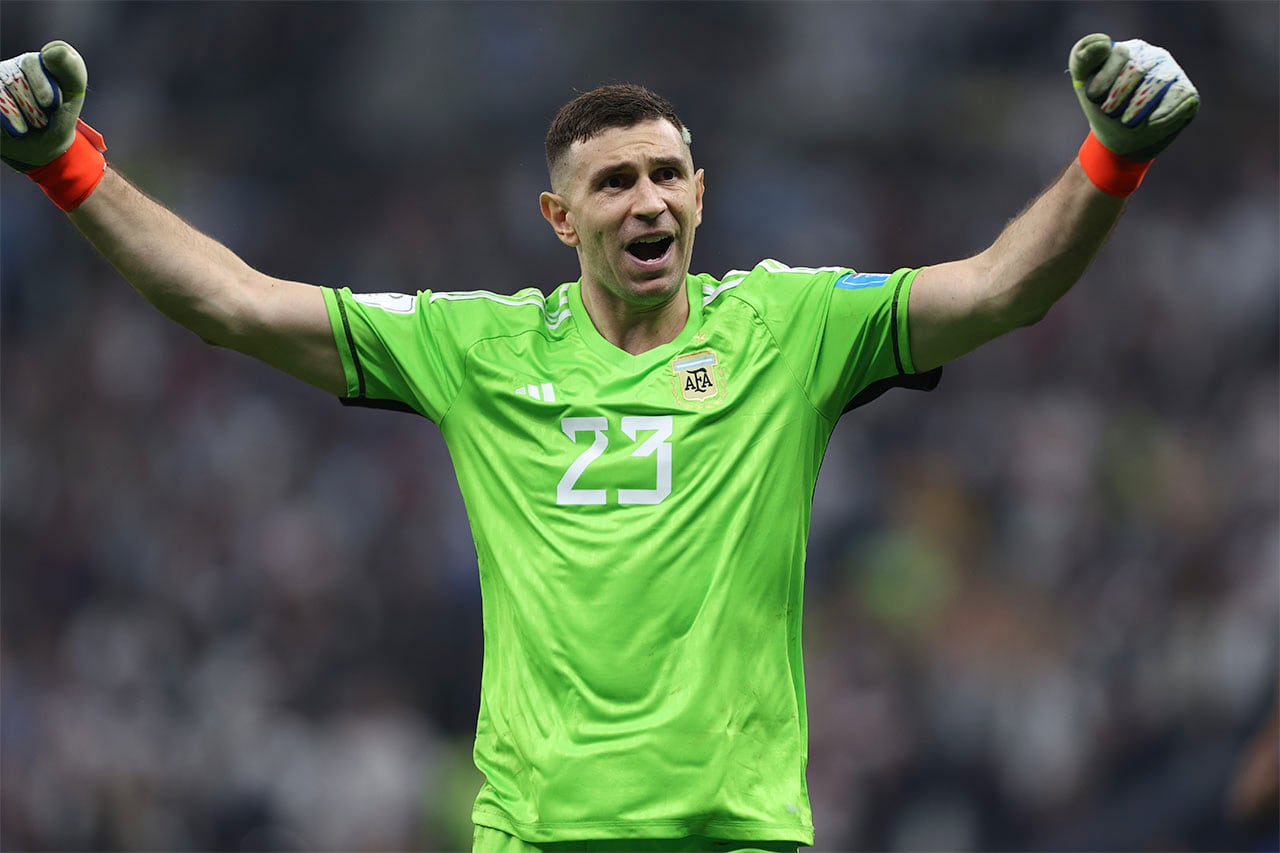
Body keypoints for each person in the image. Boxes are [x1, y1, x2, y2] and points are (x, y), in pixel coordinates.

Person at [0, 33, 1198, 853]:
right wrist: (68, 164)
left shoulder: (789, 327)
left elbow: (1000, 288)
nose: (648, 201)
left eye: (668, 174)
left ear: (700, 193)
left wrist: (1109, 158)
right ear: (558, 217)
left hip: (737, 832)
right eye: (615, 180)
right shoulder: (478, 348)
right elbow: (236, 302)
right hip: (537, 833)